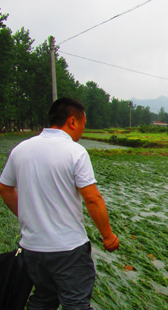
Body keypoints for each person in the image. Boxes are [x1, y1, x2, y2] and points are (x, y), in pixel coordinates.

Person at [0, 97, 119, 310]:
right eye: (83, 123)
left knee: (43, 300)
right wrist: (108, 236)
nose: (83, 129)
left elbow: (5, 188)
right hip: (68, 249)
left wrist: (27, 216)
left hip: (32, 248)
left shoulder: (21, 149)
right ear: (72, 121)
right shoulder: (75, 152)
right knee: (76, 304)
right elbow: (92, 198)